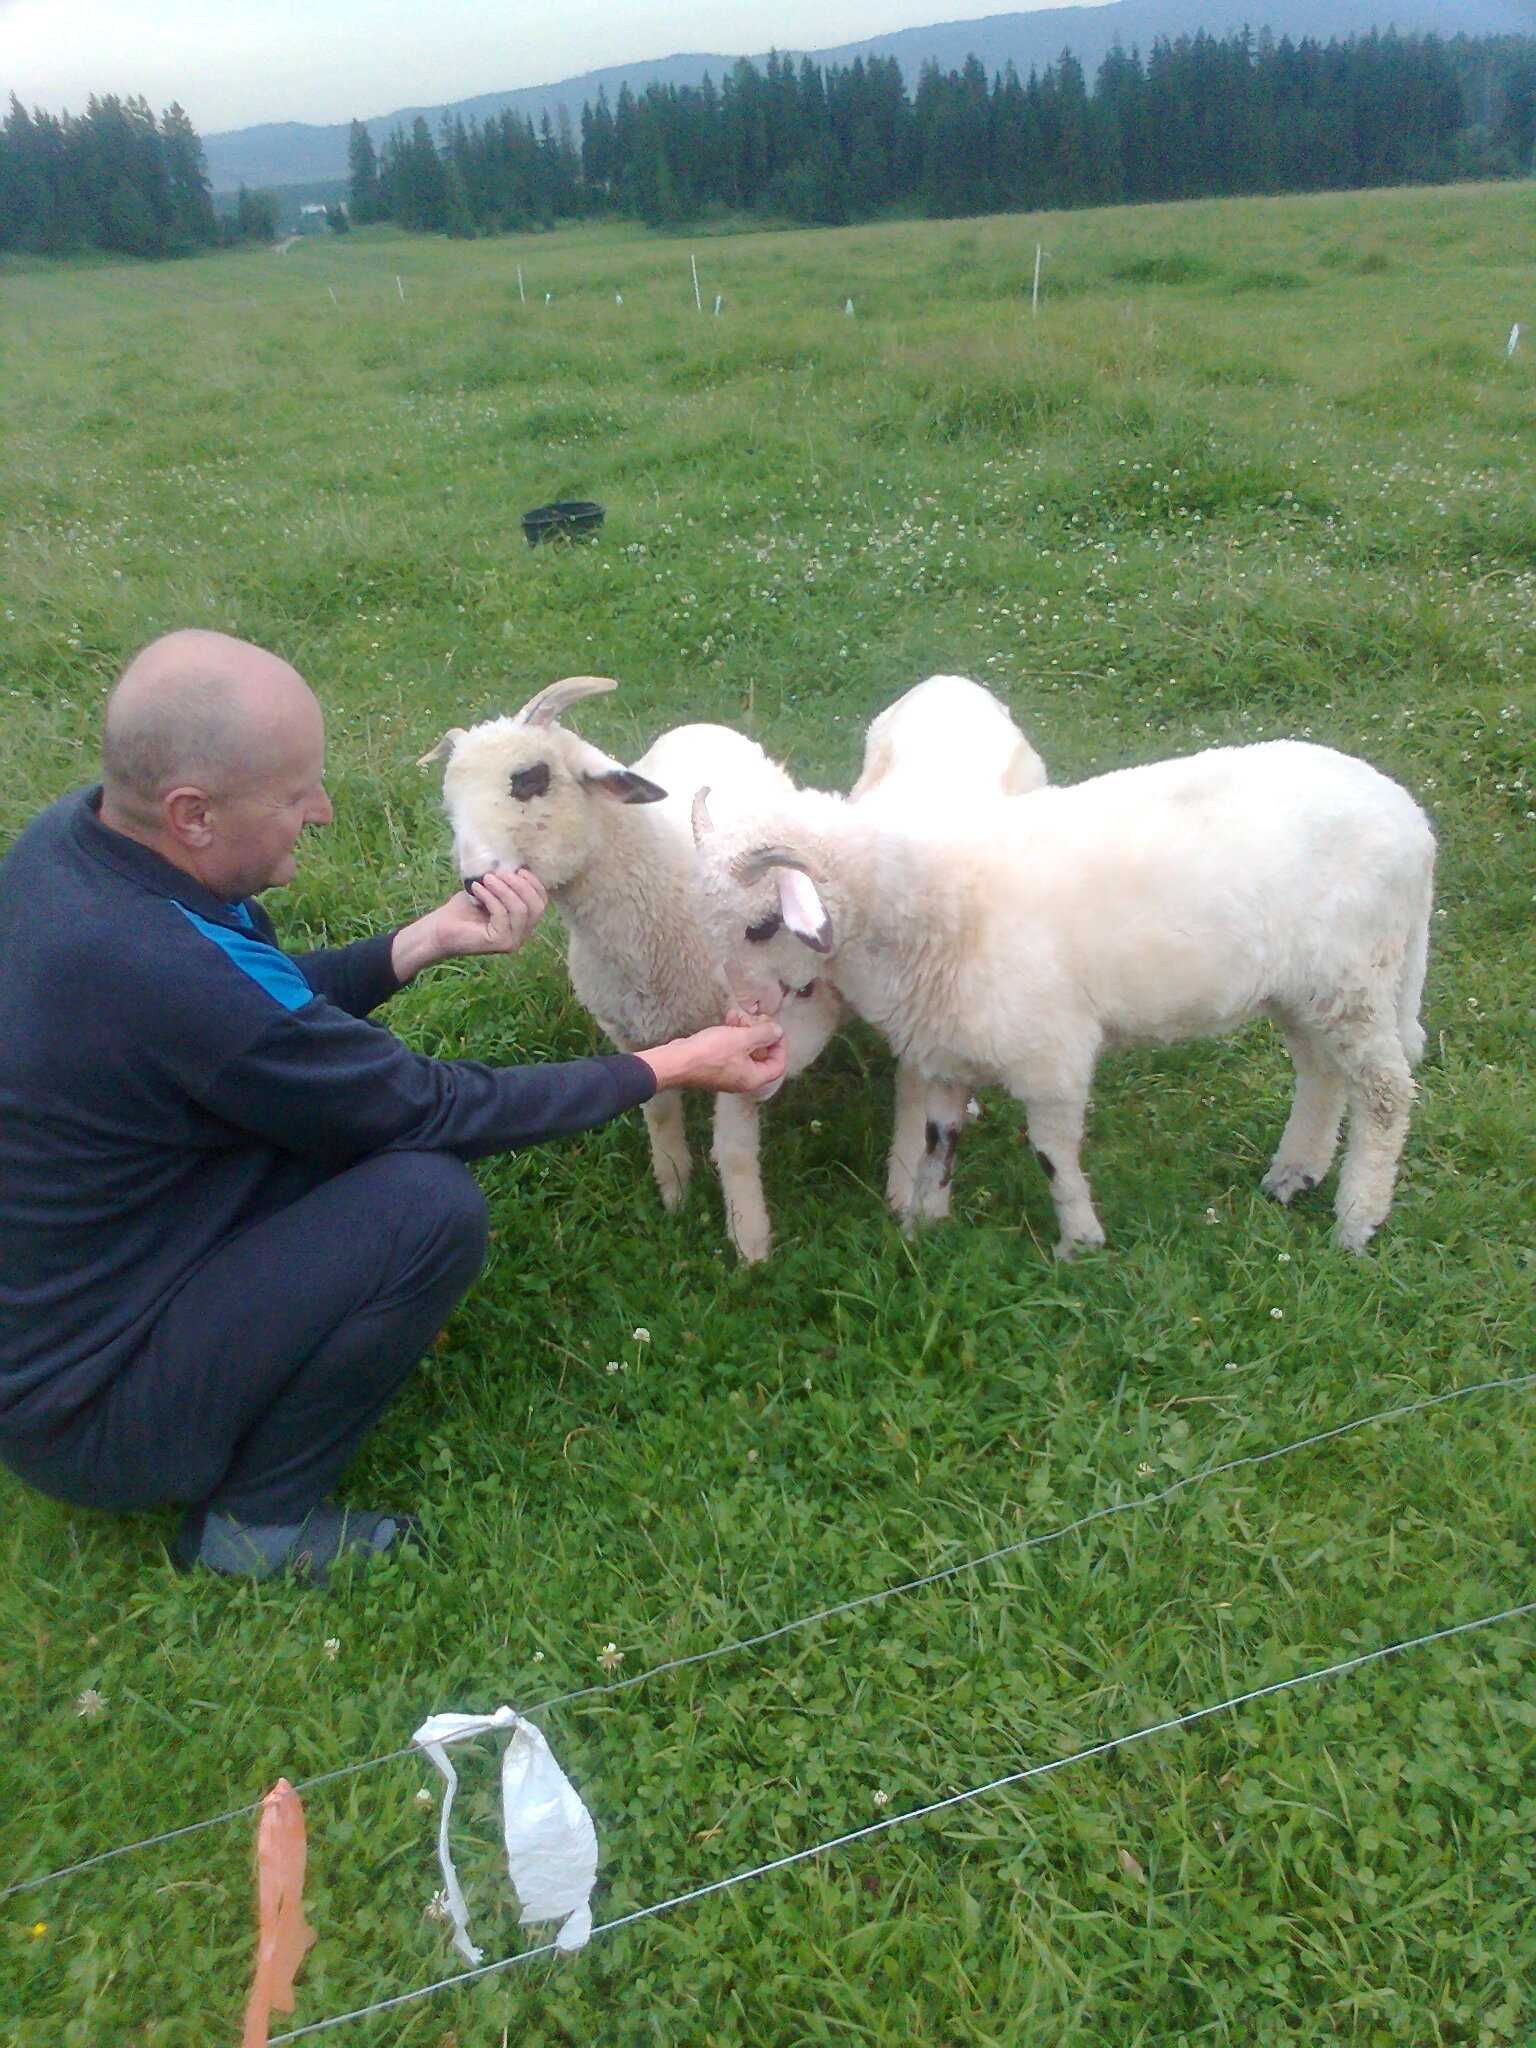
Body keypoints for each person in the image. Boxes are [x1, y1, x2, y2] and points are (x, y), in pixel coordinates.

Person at [0, 630, 785, 1583]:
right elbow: (425, 1106)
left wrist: (413, 945)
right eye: (296, 797)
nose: (322, 812)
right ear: (192, 813)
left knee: (353, 1146)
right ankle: (255, 1524)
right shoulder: (158, 972)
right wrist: (675, 1063)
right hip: (99, 1408)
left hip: (105, 1274)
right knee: (425, 1206)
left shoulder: (79, 850)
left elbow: (254, 1004)